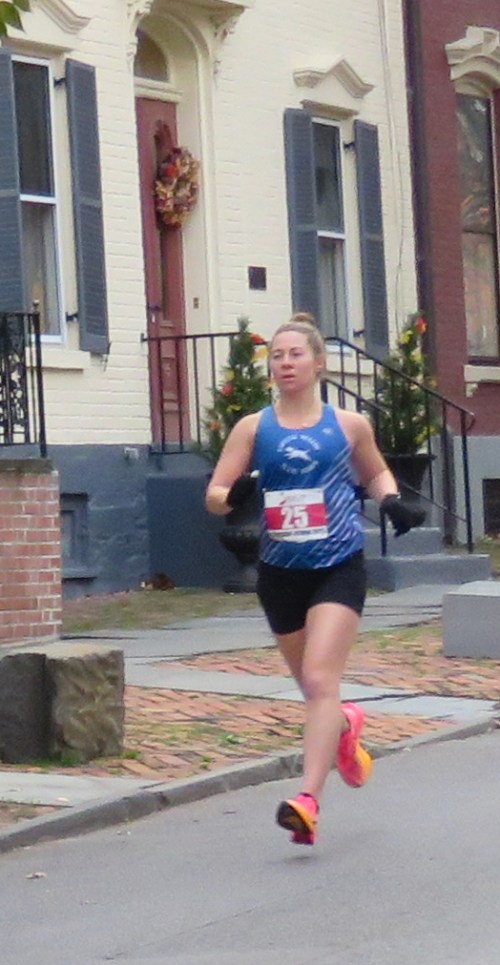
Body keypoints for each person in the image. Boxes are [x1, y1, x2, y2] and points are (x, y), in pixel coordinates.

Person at [205, 313, 425, 846]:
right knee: (314, 689)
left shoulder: (348, 425)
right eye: (277, 356)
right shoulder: (253, 428)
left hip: (338, 566)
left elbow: (374, 470)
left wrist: (391, 500)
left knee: (321, 680)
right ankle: (346, 727)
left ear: (319, 364)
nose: (285, 363)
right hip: (280, 572)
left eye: (295, 354)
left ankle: (307, 801)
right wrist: (233, 497)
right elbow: (214, 495)